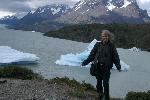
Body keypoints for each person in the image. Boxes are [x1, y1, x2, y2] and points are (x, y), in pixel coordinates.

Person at [82, 30, 121, 100]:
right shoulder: (97, 45)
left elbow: (115, 57)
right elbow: (92, 55)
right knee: (99, 83)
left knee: (106, 83)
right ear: (101, 37)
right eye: (103, 36)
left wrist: (118, 66)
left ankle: (106, 98)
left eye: (106, 36)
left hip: (106, 68)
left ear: (108, 37)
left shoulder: (112, 46)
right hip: (98, 67)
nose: (104, 37)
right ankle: (99, 96)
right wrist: (86, 62)